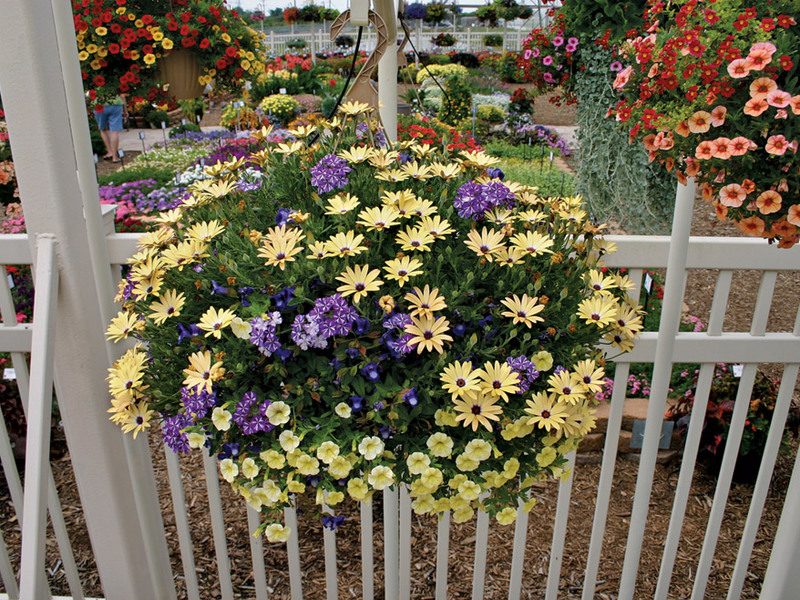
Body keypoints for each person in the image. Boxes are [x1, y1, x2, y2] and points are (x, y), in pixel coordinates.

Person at [94, 94, 126, 162]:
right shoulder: (114, 87)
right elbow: (122, 96)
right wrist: (125, 111)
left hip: (99, 105)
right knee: (114, 131)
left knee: (103, 130)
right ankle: (115, 157)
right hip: (115, 104)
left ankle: (109, 152)